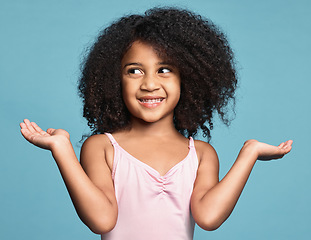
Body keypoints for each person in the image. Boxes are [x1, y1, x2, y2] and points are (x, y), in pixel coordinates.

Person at [20, 7, 293, 240]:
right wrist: (62, 149)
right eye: (134, 71)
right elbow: (101, 221)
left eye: (164, 70)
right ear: (115, 81)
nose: (150, 84)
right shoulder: (102, 147)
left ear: (188, 79)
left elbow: (208, 218)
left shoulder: (200, 154)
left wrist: (249, 153)